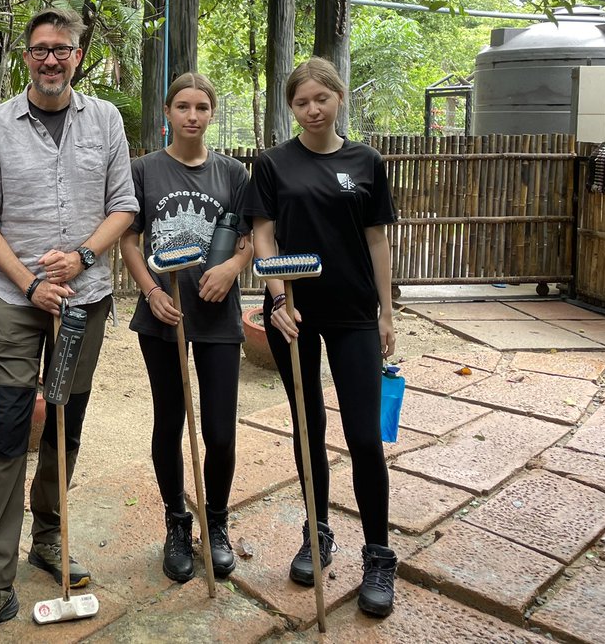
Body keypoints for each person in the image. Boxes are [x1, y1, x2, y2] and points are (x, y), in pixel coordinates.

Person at [0, 6, 137, 644]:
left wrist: (82, 256)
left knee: (65, 422)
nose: (51, 59)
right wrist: (31, 283)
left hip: (85, 296)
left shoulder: (105, 120)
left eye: (62, 49)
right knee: (9, 428)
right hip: (15, 297)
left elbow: (123, 206)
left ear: (78, 57)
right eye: (40, 49)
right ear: (26, 57)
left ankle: (49, 536)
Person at [243, 56, 399, 618]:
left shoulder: (366, 162)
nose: (312, 110)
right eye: (301, 102)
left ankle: (378, 554)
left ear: (339, 98)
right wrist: (277, 299)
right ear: (292, 107)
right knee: (307, 425)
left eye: (321, 99)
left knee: (364, 436)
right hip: (294, 313)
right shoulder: (273, 163)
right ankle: (317, 532)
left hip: (354, 313)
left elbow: (377, 240)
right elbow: (264, 235)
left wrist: (386, 311)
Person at [119, 72, 252, 584]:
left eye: (201, 107)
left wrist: (232, 268)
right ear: (168, 113)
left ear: (211, 113)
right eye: (183, 107)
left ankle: (215, 521)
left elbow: (249, 238)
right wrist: (151, 292)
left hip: (217, 314)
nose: (192, 116)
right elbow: (129, 240)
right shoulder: (144, 170)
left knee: (219, 430)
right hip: (163, 315)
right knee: (169, 420)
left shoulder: (233, 173)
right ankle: (176, 521)